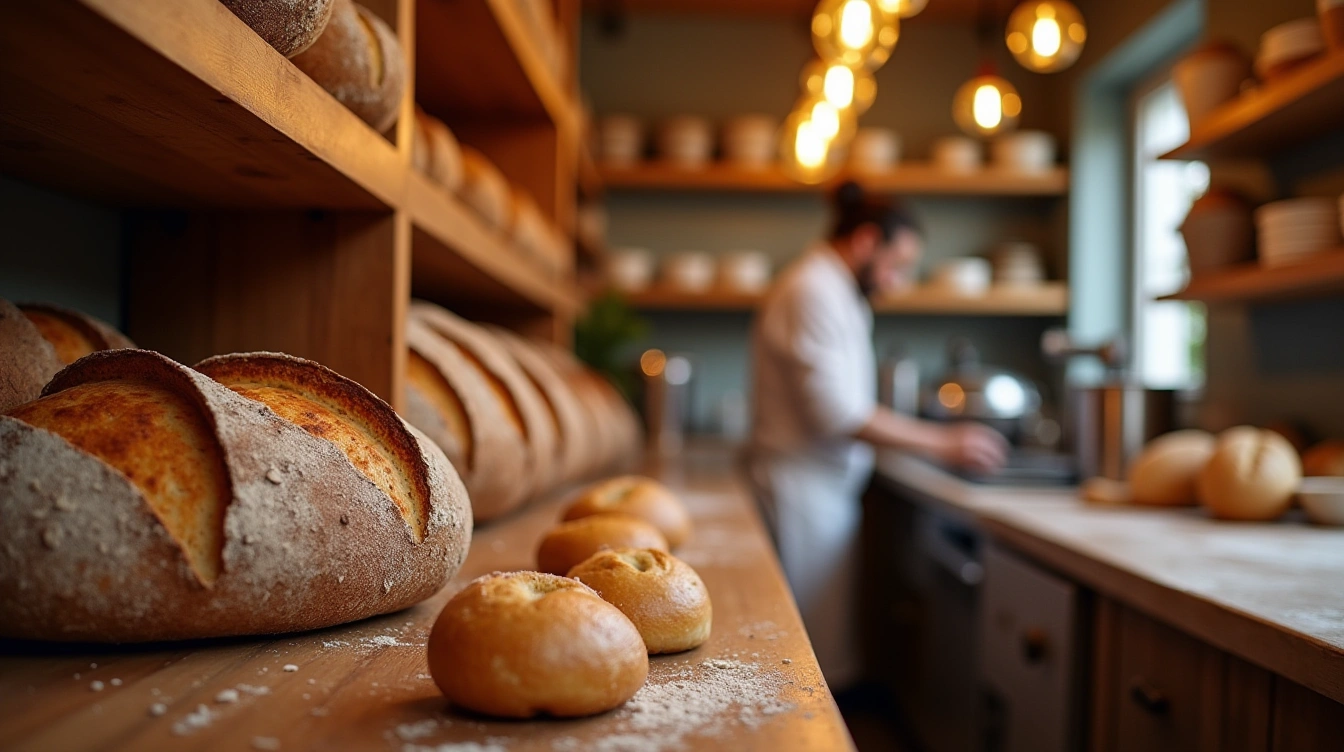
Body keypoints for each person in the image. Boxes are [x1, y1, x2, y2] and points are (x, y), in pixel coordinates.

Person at [745, 181, 1008, 691]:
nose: (897, 280)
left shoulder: (834, 290)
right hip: (802, 490)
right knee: (800, 669)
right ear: (866, 241)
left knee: (811, 657)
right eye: (898, 262)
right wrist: (944, 441)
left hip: (822, 488)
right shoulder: (812, 291)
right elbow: (837, 412)